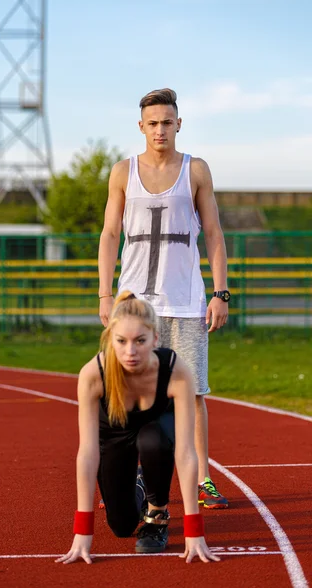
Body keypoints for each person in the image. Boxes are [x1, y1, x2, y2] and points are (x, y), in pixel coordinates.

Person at [98, 88, 230, 509]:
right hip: (136, 305)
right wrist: (105, 293)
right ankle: (135, 475)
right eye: (152, 123)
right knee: (131, 390)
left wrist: (220, 292)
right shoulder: (122, 172)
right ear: (141, 127)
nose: (160, 129)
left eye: (167, 122)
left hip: (186, 302)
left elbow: (212, 232)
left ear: (178, 124)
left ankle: (203, 480)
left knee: (193, 393)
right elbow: (109, 234)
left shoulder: (196, 170)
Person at [56, 292, 220, 564]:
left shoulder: (175, 369)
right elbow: (87, 453)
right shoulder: (93, 374)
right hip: (113, 435)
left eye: (140, 341)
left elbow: (186, 452)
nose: (130, 352)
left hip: (156, 430)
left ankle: (157, 514)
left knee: (153, 440)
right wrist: (82, 532)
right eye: (121, 341)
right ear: (110, 340)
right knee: (121, 526)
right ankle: (140, 485)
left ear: (156, 339)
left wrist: (194, 531)